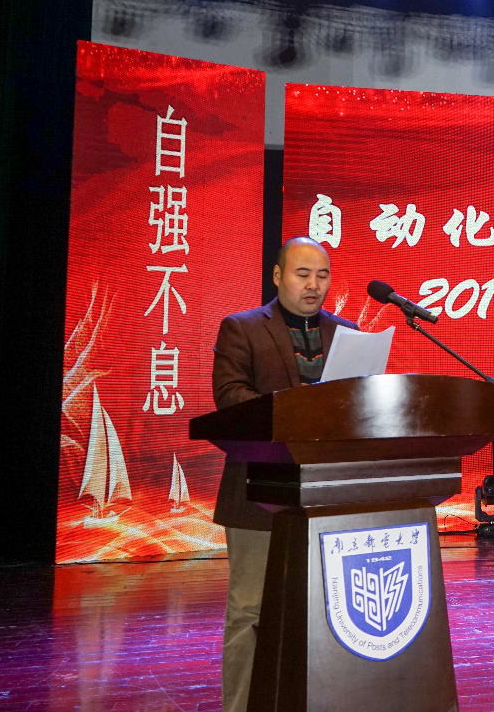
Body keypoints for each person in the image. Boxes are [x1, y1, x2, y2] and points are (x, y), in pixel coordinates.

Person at [211, 236, 358, 712]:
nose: (314, 285)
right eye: (302, 274)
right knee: (250, 608)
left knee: (328, 608)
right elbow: (230, 396)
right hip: (259, 489)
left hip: (329, 492)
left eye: (322, 275)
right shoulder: (242, 328)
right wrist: (295, 412)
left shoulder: (347, 333)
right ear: (277, 276)